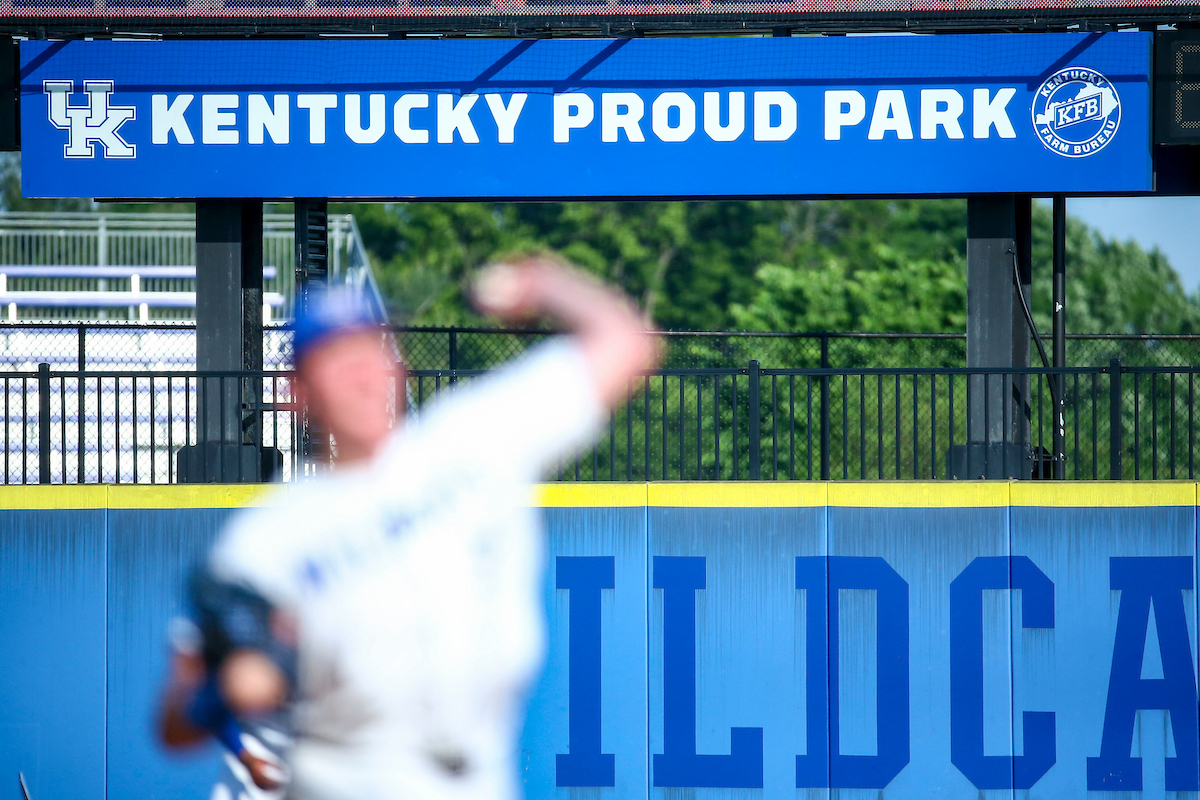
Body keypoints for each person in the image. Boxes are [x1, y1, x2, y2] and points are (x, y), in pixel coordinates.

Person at [159, 255, 659, 800]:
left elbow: (626, 343)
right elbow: (174, 726)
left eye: (373, 349)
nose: (363, 373)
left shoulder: (473, 438)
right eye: (336, 356)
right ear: (296, 391)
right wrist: (219, 692)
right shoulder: (266, 541)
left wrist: (545, 283)